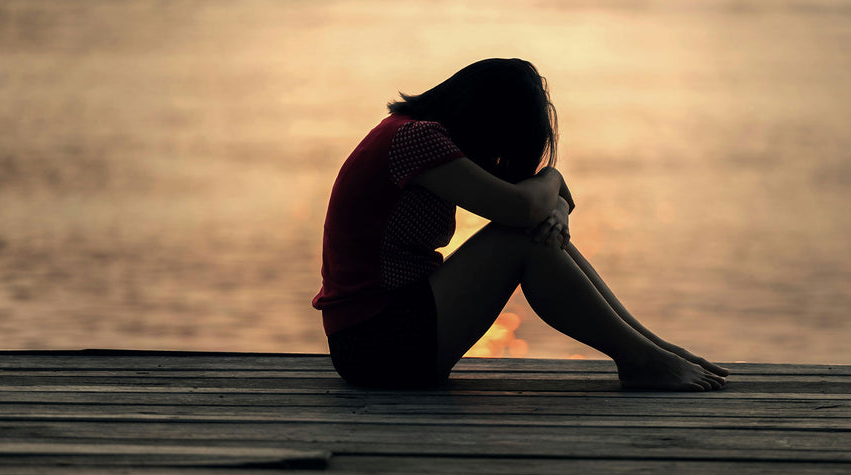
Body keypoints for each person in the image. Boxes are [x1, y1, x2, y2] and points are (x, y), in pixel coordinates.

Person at [312, 58, 729, 391]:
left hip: (386, 335)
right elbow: (521, 207)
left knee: (530, 234)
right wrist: (552, 179)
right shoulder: (416, 139)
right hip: (375, 345)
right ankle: (642, 360)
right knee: (518, 239)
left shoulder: (414, 136)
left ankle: (651, 349)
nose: (498, 158)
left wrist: (557, 209)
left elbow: (536, 205)